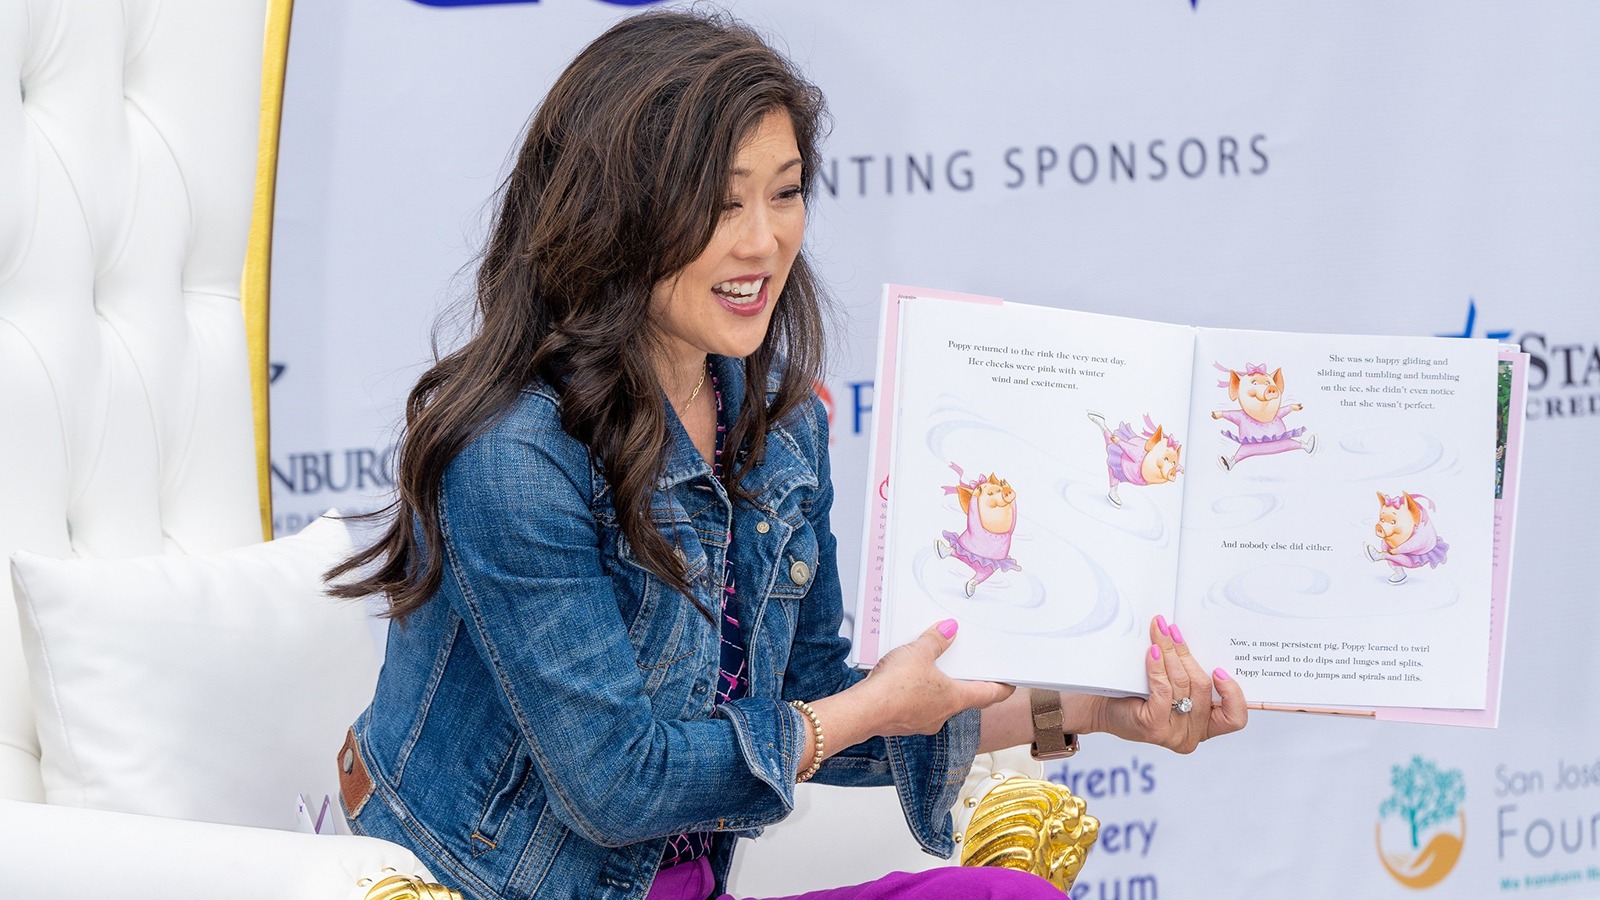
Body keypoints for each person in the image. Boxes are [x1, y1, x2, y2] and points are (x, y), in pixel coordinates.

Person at [329, 11, 1247, 900]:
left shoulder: (777, 429)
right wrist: (872, 708)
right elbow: (617, 783)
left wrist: (1088, 707)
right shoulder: (514, 457)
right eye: (720, 202)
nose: (764, 241)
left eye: (786, 189)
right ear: (616, 215)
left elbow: (818, 696)